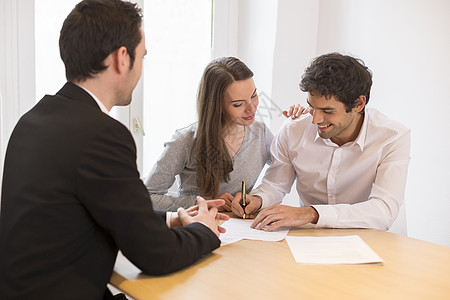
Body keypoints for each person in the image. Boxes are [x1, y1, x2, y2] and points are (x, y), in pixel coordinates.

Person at [0, 1, 228, 299]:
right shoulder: (101, 135)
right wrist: (206, 231)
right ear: (122, 58)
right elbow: (155, 255)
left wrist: (173, 218)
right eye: (142, 57)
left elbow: (94, 209)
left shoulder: (33, 120)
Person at [231, 52, 411, 231]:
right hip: (312, 241)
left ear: (358, 104)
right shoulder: (294, 129)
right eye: (311, 106)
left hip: (372, 240)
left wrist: (311, 213)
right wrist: (258, 199)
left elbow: (383, 211)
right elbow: (275, 184)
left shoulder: (392, 137)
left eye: (328, 111)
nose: (316, 119)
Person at [144, 57, 306, 212]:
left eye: (254, 95)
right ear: (217, 106)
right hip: (199, 229)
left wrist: (299, 125)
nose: (252, 108)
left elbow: (289, 164)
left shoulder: (260, 132)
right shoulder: (185, 141)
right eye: (238, 104)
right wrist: (202, 201)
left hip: (243, 228)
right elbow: (147, 197)